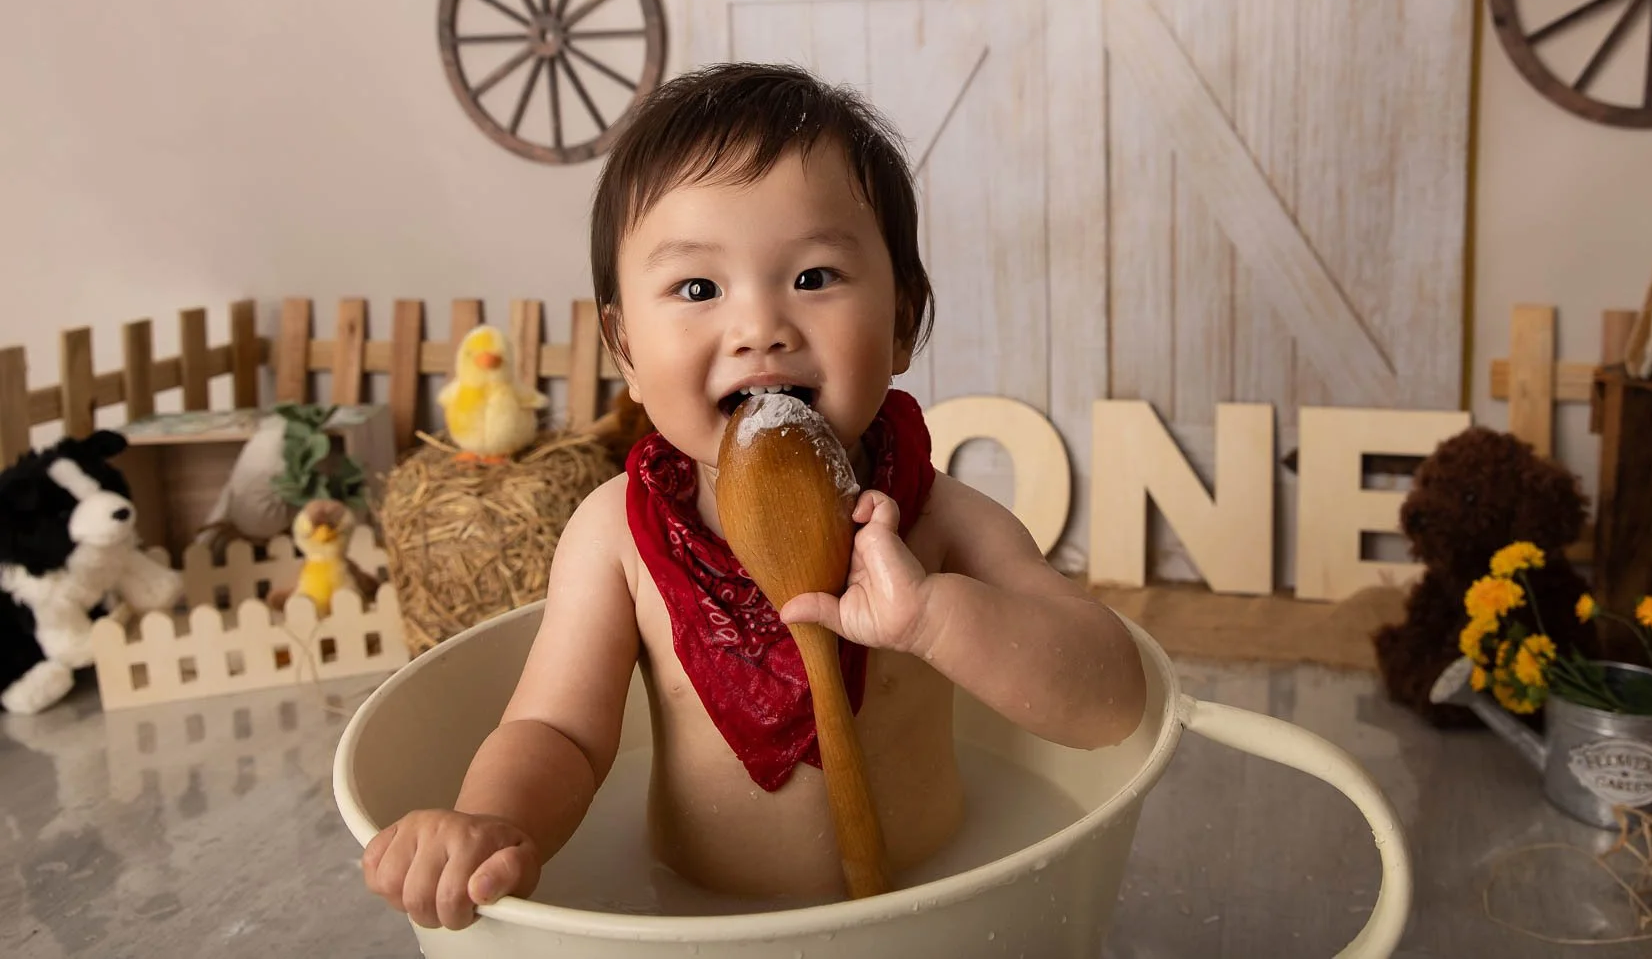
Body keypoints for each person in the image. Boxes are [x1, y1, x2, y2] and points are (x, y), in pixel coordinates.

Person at [362, 62, 1147, 930]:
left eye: (814, 277)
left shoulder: (940, 523)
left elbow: (1110, 704)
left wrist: (936, 620)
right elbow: (562, 735)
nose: (760, 326)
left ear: (901, 324)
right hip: (698, 928)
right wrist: (491, 823)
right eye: (698, 288)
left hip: (939, 916)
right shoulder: (616, 538)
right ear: (624, 345)